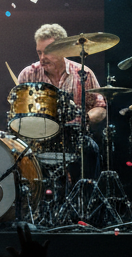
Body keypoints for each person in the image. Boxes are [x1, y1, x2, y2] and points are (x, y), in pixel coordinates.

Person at [17, 23, 107, 178]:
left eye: (48, 52)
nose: (42, 58)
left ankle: (86, 199)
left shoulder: (83, 73)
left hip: (74, 138)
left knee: (91, 148)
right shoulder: (28, 75)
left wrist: (85, 118)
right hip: (39, 140)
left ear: (63, 49)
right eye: (39, 52)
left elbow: (100, 108)